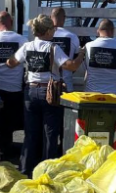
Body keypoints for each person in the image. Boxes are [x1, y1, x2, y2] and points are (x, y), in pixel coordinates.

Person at [6, 14, 69, 174]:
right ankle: (47, 171)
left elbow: (11, 63)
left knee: (30, 134)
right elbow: (70, 66)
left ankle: (26, 169)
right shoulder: (53, 48)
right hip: (49, 93)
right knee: (50, 134)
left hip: (30, 91)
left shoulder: (27, 47)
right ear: (48, 31)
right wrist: (81, 55)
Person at [0, 11, 25, 161]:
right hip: (13, 88)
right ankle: (5, 154)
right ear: (12, 22)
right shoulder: (21, 40)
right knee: (8, 126)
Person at [78, 18, 116, 95]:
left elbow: (86, 69)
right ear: (112, 31)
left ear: (98, 31)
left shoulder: (88, 46)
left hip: (91, 95)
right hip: (113, 96)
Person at [49, 7, 81, 92]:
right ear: (64, 18)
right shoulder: (73, 37)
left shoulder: (45, 35)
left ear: (50, 17)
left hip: (49, 86)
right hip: (66, 84)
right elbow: (75, 62)